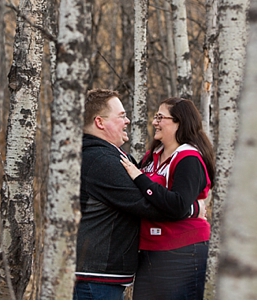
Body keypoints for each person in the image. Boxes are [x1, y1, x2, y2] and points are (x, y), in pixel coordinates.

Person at [74, 90, 204, 300]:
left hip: (101, 275)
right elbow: (146, 204)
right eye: (121, 116)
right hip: (95, 278)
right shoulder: (101, 161)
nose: (127, 121)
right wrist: (192, 208)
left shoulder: (106, 154)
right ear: (100, 122)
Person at [119, 97, 216, 300]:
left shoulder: (189, 158)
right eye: (156, 117)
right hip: (149, 252)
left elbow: (177, 205)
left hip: (183, 253)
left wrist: (138, 177)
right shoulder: (152, 156)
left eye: (160, 117)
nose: (154, 122)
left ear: (179, 122)